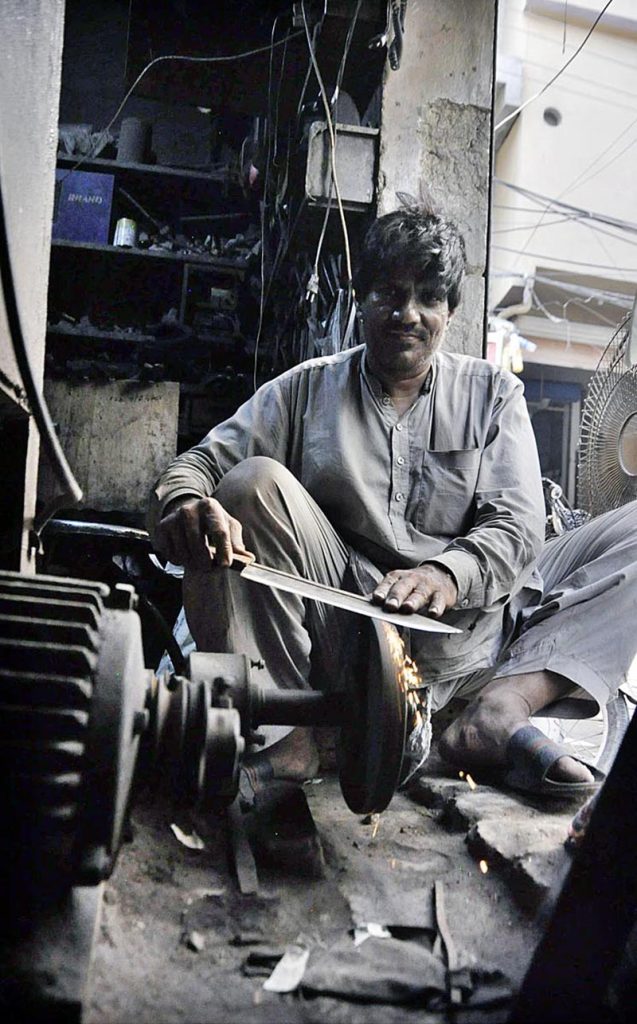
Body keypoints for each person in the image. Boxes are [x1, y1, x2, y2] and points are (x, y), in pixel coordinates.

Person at [148, 206, 637, 800]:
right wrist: (187, 503)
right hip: (351, 635)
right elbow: (199, 464)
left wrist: (448, 572)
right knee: (249, 483)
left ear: (450, 312)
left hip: (472, 641)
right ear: (361, 299)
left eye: (429, 297)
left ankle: (497, 711)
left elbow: (517, 523)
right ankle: (289, 738)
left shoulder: (492, 394)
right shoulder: (308, 388)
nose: (409, 315)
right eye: (390, 293)